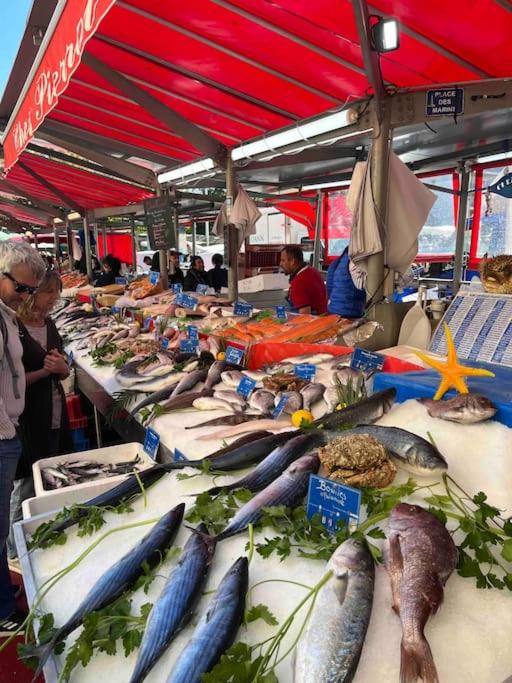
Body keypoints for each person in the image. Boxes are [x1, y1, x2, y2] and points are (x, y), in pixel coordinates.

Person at [7, 272, 71, 561]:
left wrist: (61, 369)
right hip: (26, 417)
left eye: (57, 292)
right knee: (24, 482)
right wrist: (47, 372)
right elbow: (10, 381)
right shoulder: (13, 327)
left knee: (50, 474)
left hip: (54, 410)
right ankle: (14, 552)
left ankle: (43, 536)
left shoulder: (50, 324)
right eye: (50, 292)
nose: (55, 298)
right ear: (35, 292)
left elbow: (63, 367)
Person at [0, 242, 45, 634]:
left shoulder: (5, 315)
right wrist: (6, 429)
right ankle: (2, 612)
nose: (25, 297)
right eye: (23, 288)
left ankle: (3, 602)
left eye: (31, 290)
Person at [279, 246, 327, 314]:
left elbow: (305, 314)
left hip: (313, 321)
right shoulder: (312, 271)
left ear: (292, 261)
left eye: (283, 260)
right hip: (323, 317)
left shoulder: (298, 282)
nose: (280, 264)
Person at [326, 247, 366, 318]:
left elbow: (329, 288)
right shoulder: (355, 263)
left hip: (332, 311)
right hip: (350, 313)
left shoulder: (336, 262)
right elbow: (362, 287)